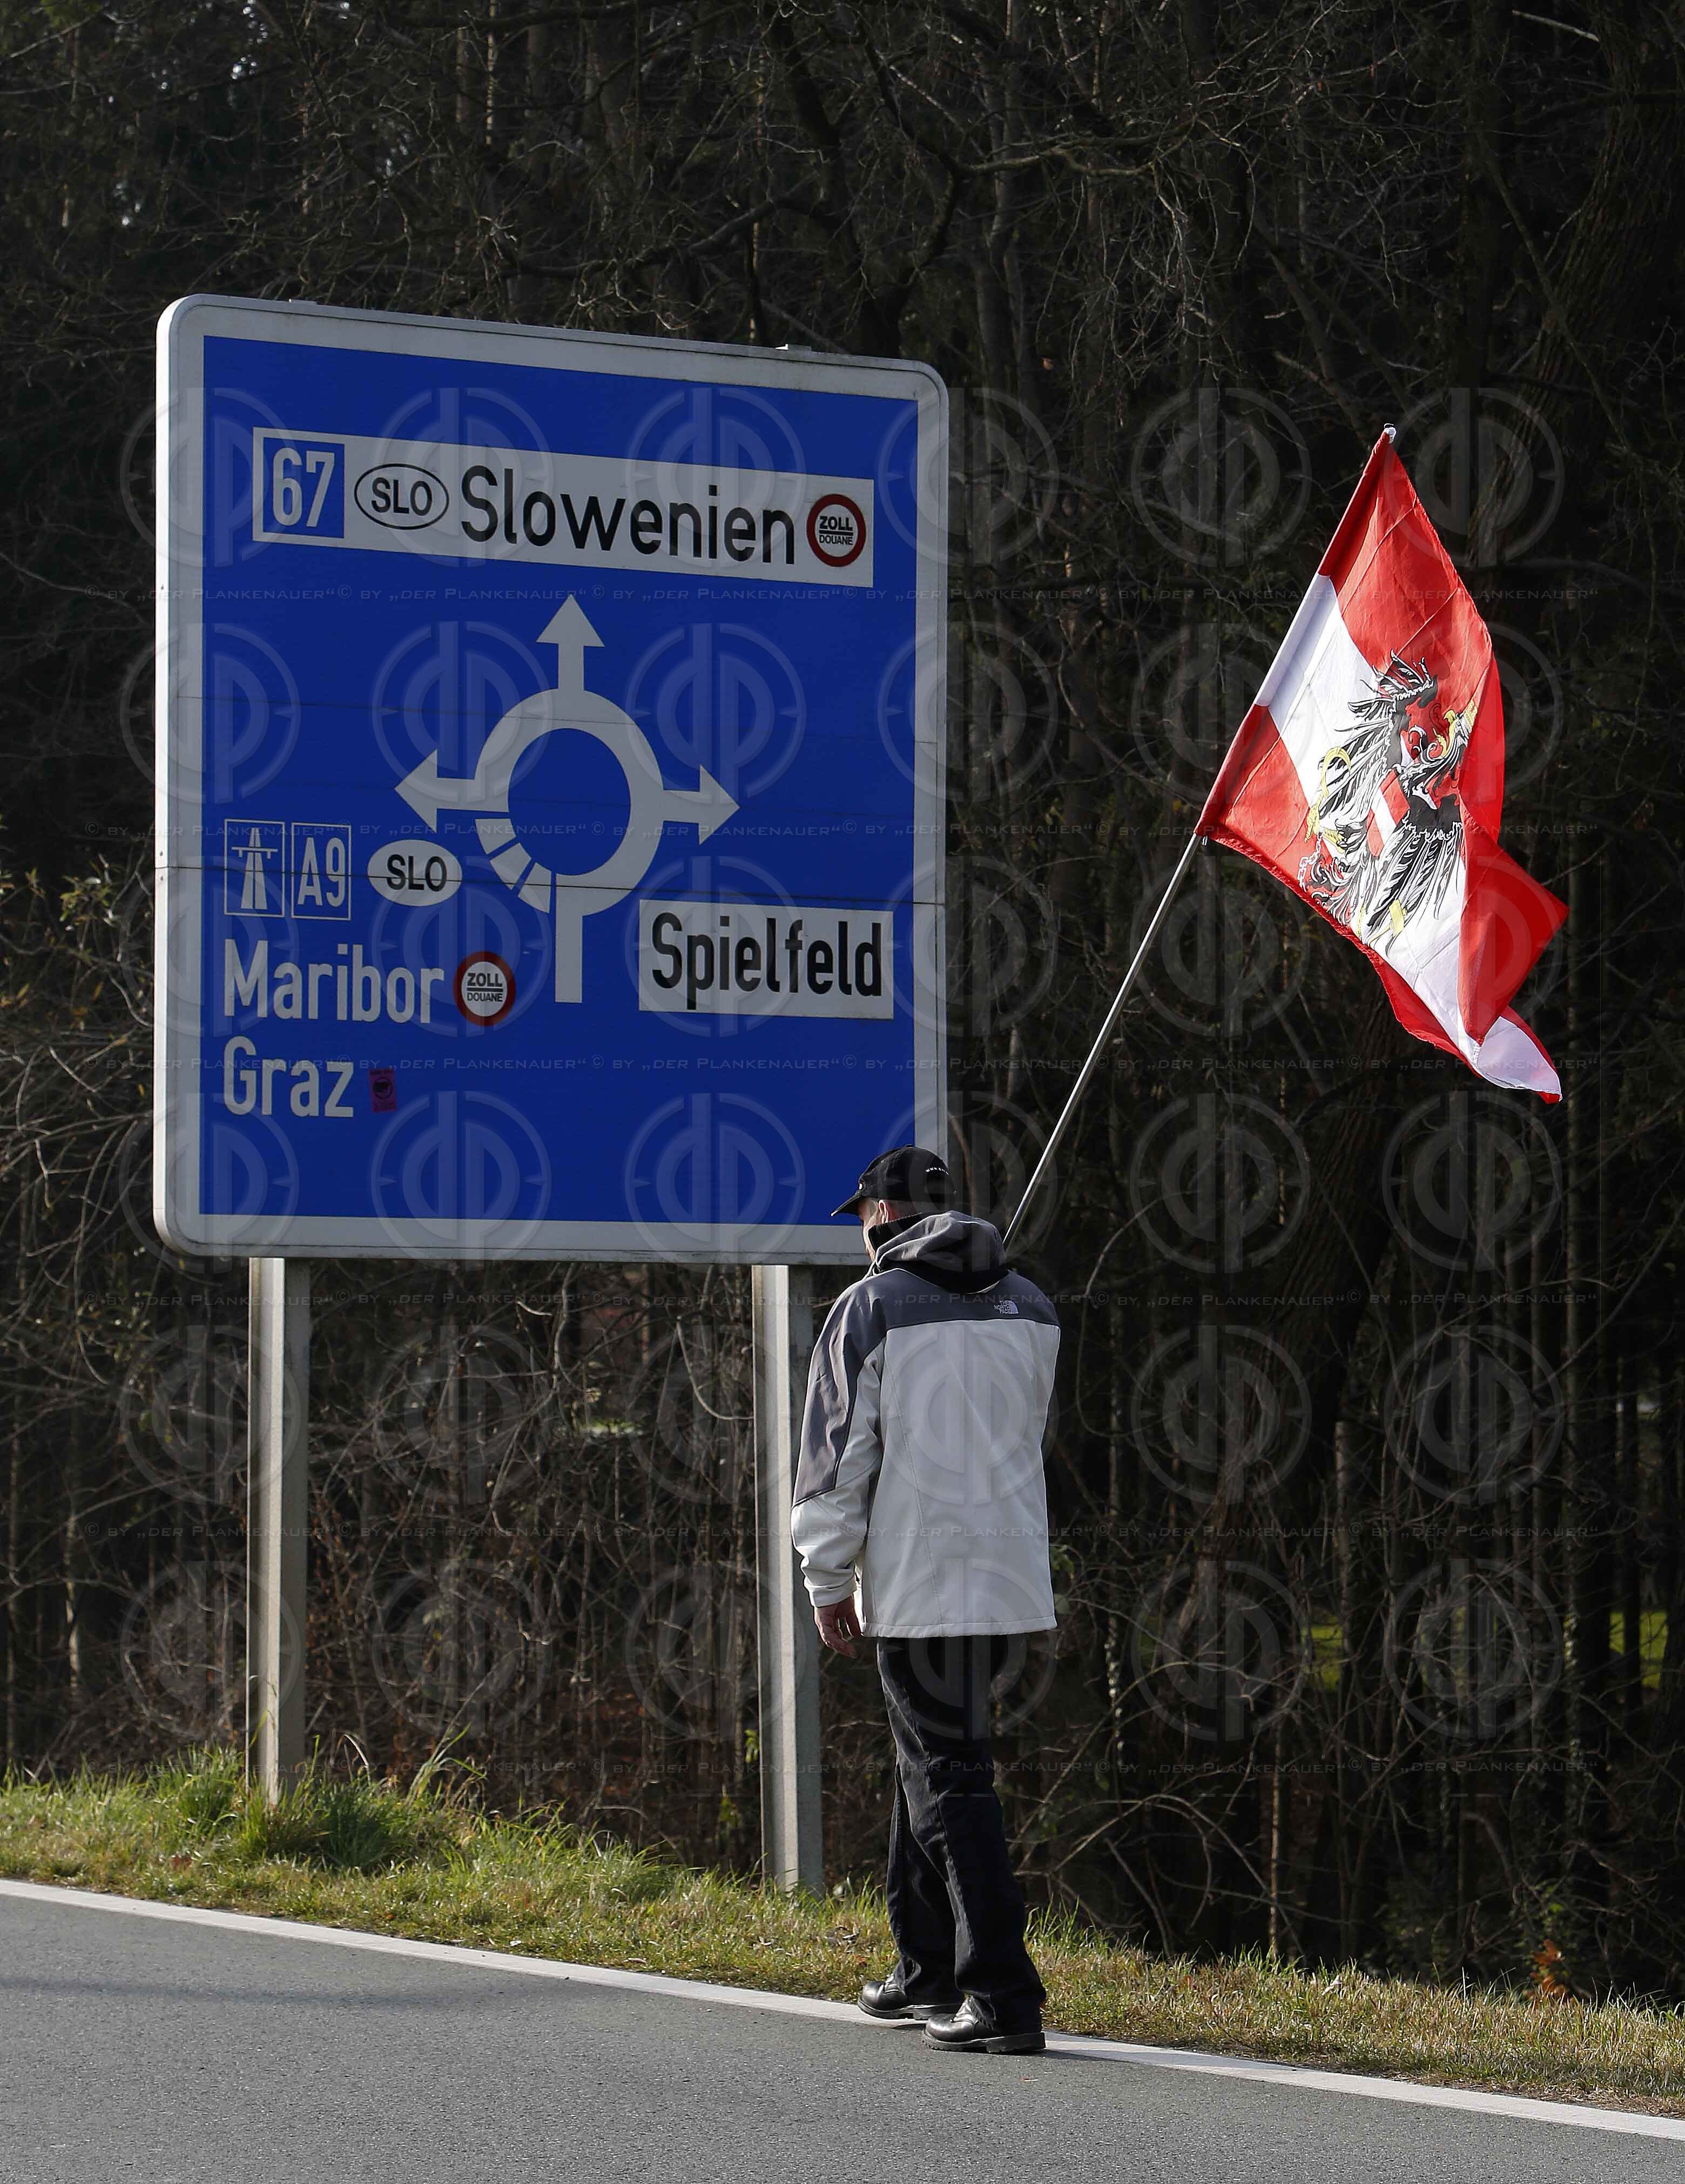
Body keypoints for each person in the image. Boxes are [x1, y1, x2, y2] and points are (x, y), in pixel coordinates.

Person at [791, 1144, 1060, 2056]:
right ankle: (924, 1969)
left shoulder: (868, 1308)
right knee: (932, 1768)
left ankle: (1003, 1994)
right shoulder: (1032, 1305)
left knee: (949, 1778)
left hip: (920, 1582)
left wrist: (826, 1580)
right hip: (1007, 1577)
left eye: (862, 1215)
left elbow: (837, 1461)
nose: (861, 1233)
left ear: (882, 1215)